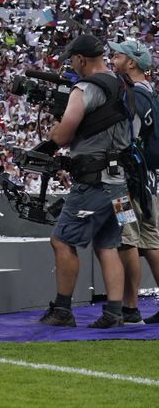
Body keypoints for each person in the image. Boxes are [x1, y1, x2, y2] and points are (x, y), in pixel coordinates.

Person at [39, 34, 132, 329]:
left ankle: (63, 310)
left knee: (62, 240)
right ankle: (115, 313)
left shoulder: (85, 88)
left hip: (95, 183)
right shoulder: (121, 84)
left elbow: (64, 135)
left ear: (81, 59)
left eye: (73, 60)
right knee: (108, 245)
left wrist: (55, 133)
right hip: (121, 182)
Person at [107, 38, 159, 325]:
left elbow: (128, 139)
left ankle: (130, 308)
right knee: (151, 241)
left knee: (127, 240)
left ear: (132, 62)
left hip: (127, 183)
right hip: (150, 182)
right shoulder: (151, 93)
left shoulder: (131, 96)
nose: (112, 59)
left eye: (117, 56)